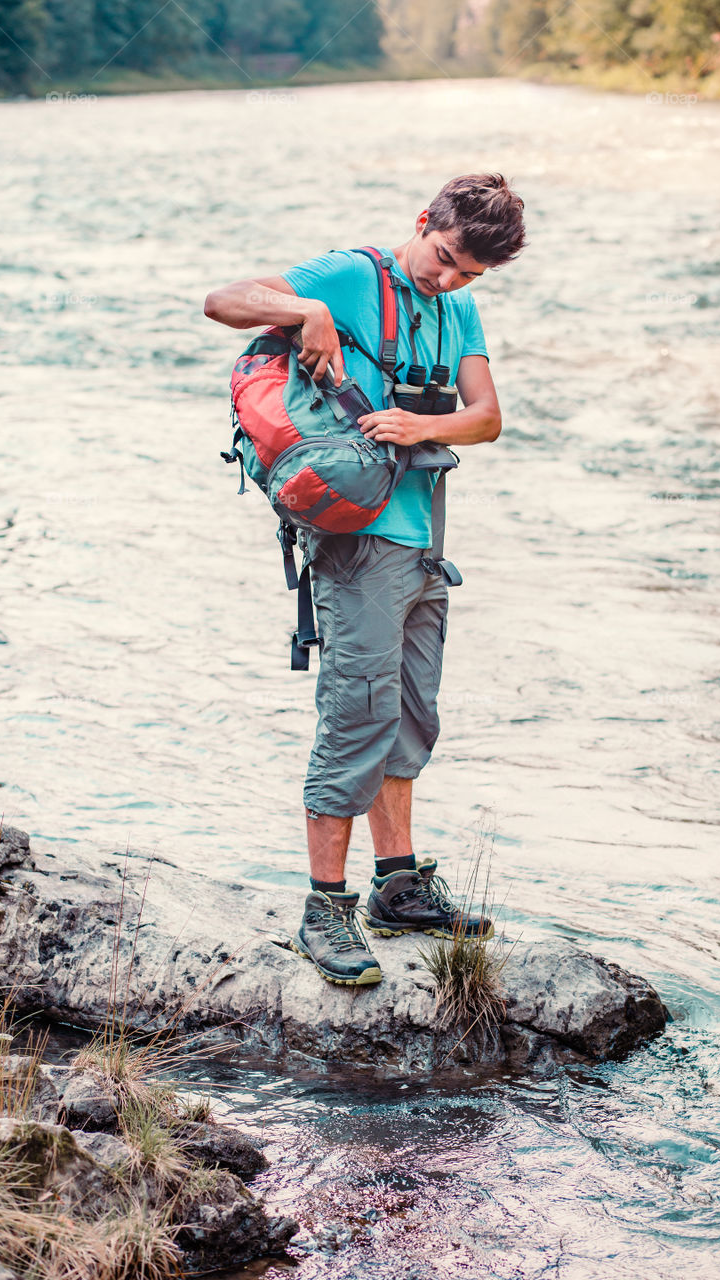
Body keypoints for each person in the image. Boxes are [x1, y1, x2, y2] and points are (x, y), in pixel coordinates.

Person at [204, 173, 526, 988]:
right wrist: (305, 311)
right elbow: (222, 300)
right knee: (355, 715)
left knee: (411, 715)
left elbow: (486, 417)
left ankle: (400, 886)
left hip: (424, 545)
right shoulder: (353, 275)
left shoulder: (459, 309)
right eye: (445, 257)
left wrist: (425, 423)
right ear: (424, 222)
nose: (447, 280)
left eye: (468, 274)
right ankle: (323, 909)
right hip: (358, 543)